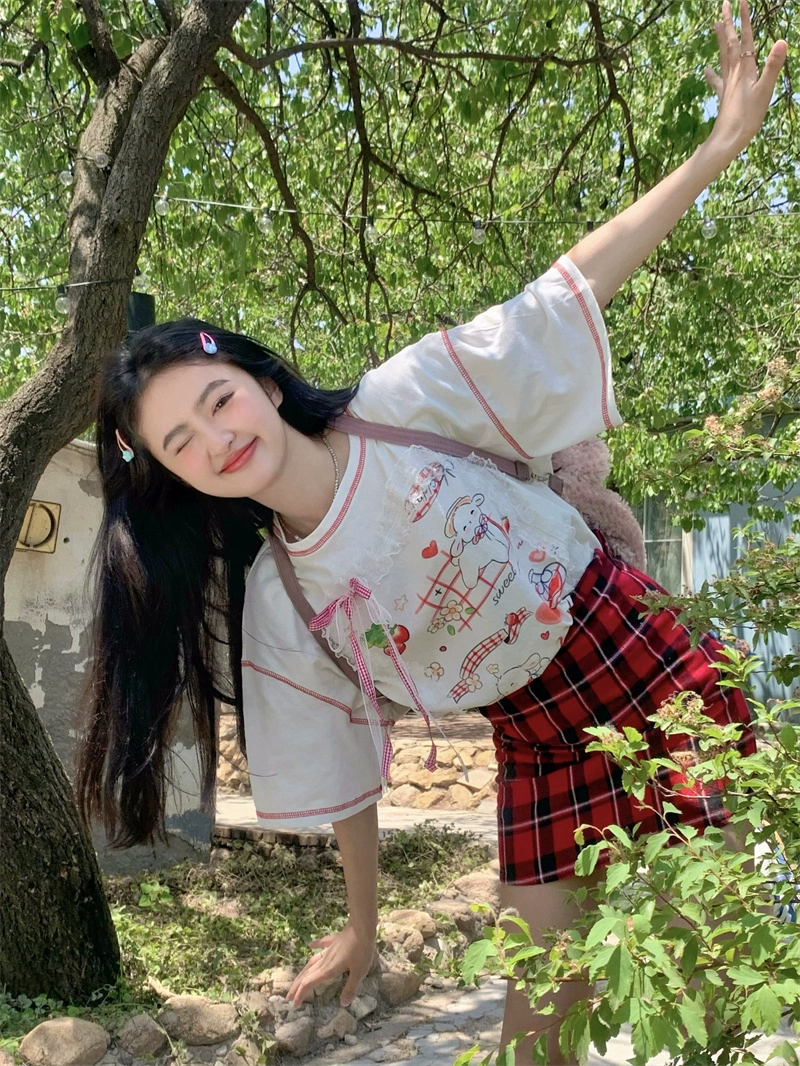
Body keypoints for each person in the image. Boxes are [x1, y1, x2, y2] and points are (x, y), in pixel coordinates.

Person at [76, 5, 786, 1062]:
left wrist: (716, 148)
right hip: (536, 737)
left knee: (715, 984)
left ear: (259, 380)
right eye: (180, 441)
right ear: (173, 476)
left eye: (217, 401)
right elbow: (343, 768)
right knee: (536, 1035)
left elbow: (564, 291)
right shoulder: (284, 599)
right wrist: (362, 925)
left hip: (638, 656)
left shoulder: (404, 402)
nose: (215, 439)